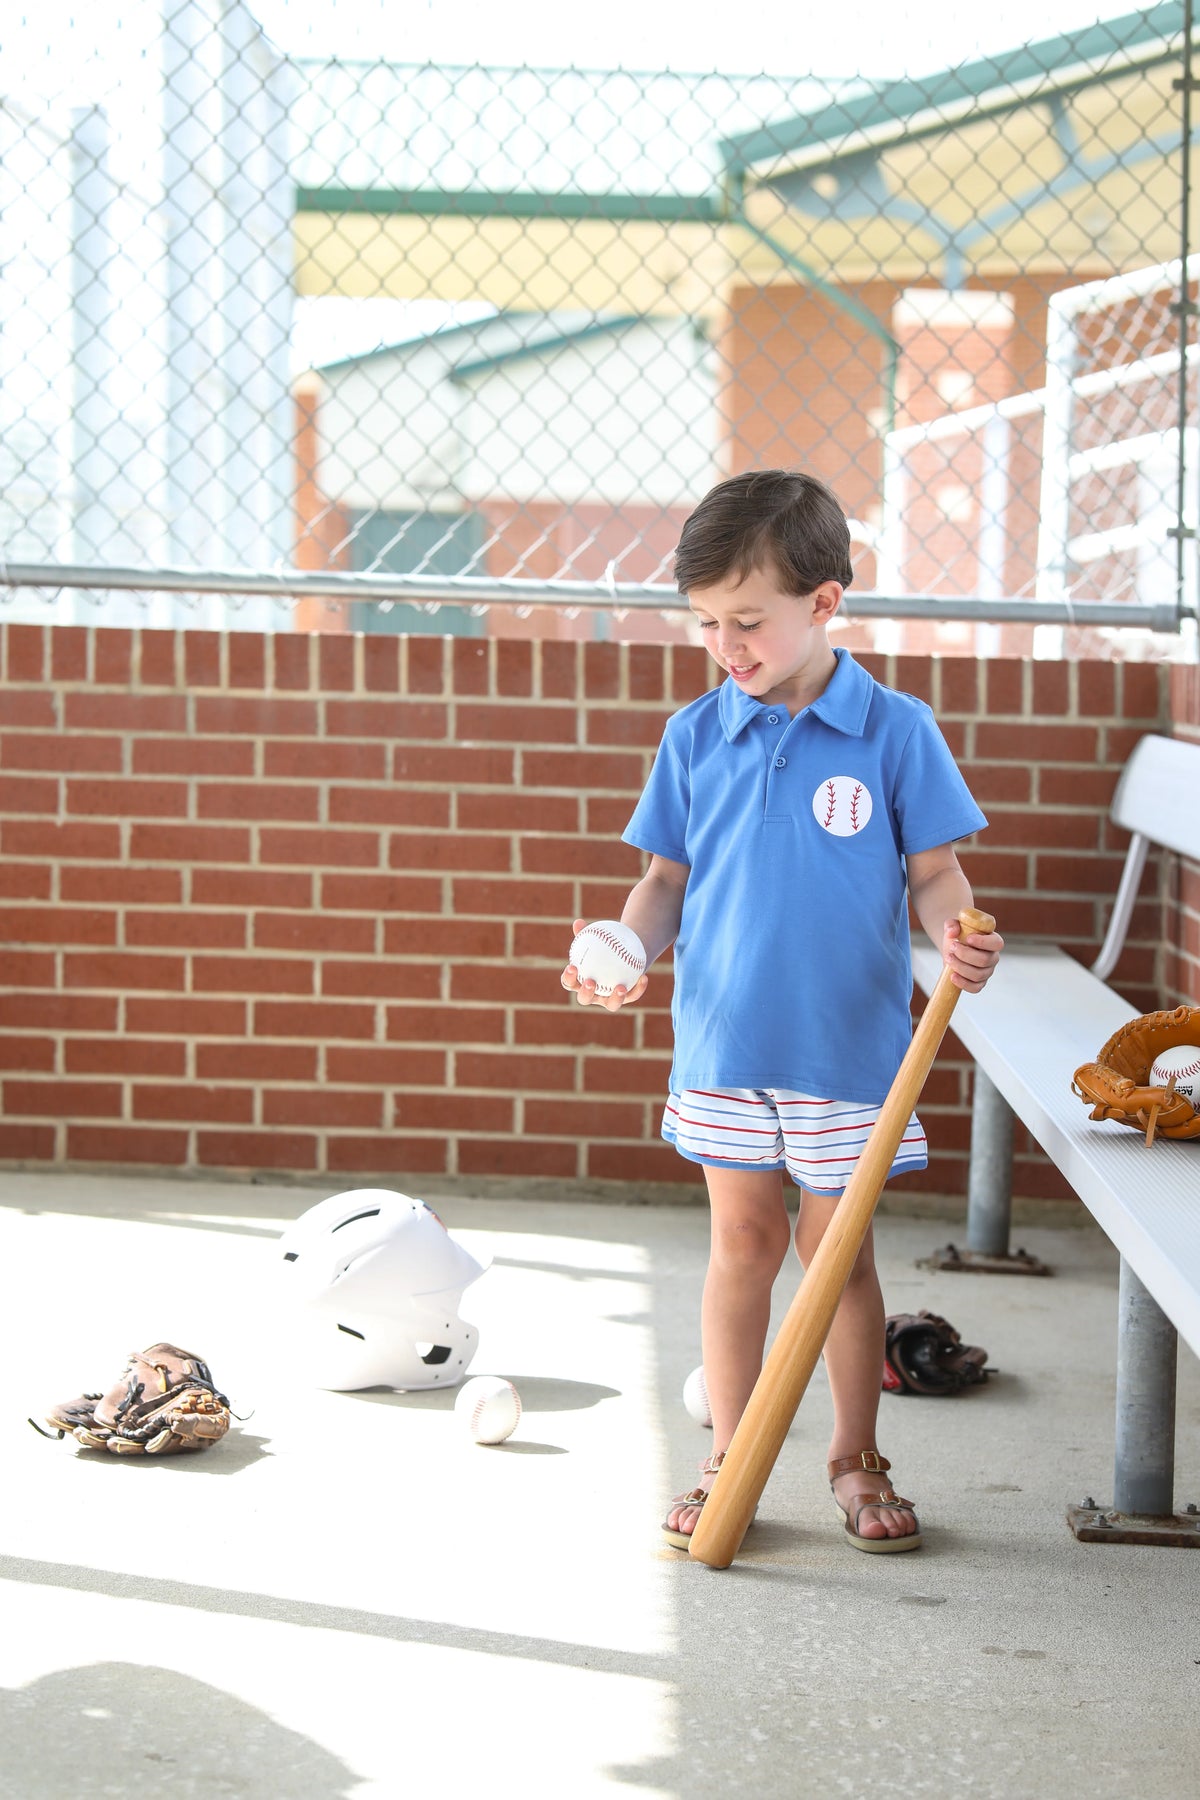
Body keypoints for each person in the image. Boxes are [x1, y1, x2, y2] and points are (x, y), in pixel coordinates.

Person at [561, 468, 1003, 1554]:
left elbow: (936, 873)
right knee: (741, 1245)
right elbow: (663, 883)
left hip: (849, 1053)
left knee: (838, 1258)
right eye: (707, 624)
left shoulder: (895, 731)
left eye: (749, 621)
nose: (728, 645)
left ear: (827, 602)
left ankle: (855, 1457)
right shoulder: (695, 735)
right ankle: (732, 1454)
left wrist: (956, 931)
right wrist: (626, 950)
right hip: (723, 1046)